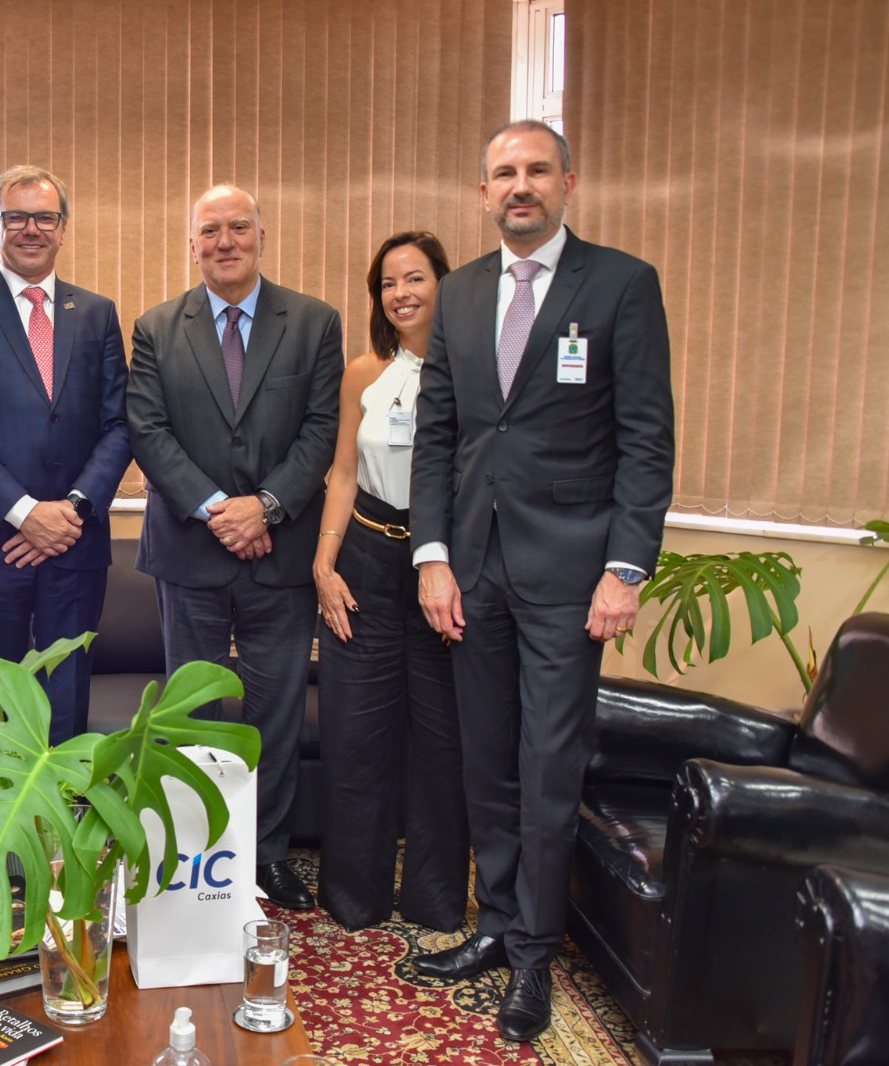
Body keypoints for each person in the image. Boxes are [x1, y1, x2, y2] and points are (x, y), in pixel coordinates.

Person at [408, 120, 675, 1040]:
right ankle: (496, 926)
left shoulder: (622, 285)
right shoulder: (463, 292)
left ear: (570, 181)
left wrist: (625, 569)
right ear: (482, 193)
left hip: (572, 576)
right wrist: (432, 556)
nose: (519, 186)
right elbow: (440, 436)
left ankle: (534, 954)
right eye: (502, 174)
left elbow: (645, 440)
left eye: (535, 171)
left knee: (547, 766)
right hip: (472, 570)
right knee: (486, 760)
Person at [127, 183, 343, 911]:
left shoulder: (314, 323)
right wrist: (223, 511)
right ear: (192, 244)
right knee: (193, 714)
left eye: (238, 227)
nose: (225, 241)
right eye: (210, 230)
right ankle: (198, 854)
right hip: (190, 551)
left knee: (274, 713)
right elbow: (149, 433)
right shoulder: (157, 328)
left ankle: (265, 855)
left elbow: (321, 431)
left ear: (261, 235)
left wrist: (268, 509)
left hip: (279, 556)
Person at [0, 165, 130, 744]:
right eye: (16, 217)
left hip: (76, 539)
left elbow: (119, 424)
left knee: (68, 696)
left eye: (45, 217)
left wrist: (72, 511)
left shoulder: (96, 313)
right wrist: (24, 512)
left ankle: (63, 832)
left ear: (63, 227)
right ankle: (1, 835)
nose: (31, 229)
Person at [312, 231, 468, 933]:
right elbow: (343, 472)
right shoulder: (362, 372)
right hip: (367, 562)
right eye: (387, 283)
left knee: (443, 744)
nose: (401, 294)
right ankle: (355, 897)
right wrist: (325, 562)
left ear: (444, 283)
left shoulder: (478, 374)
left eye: (416, 278)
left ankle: (435, 902)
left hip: (447, 572)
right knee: (356, 737)